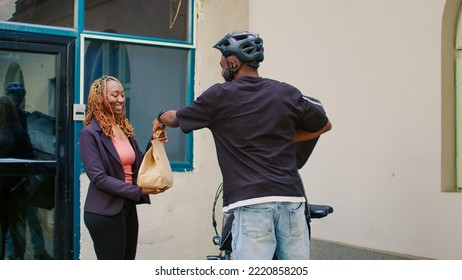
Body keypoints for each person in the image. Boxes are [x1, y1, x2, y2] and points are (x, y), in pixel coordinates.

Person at [155, 30, 332, 260]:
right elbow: (324, 124)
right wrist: (286, 137)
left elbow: (175, 119)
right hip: (292, 201)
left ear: (233, 63)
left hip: (251, 203)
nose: (221, 69)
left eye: (222, 64)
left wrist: (160, 117)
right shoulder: (284, 92)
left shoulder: (218, 96)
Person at [79, 75, 169, 260]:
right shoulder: (90, 134)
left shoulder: (124, 129)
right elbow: (99, 178)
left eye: (122, 94)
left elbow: (139, 165)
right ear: (100, 98)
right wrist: (139, 190)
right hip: (104, 211)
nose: (121, 99)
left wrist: (154, 141)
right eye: (114, 95)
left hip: (127, 207)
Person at [0, 95, 33, 259]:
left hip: (8, 190)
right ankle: (18, 263)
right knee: (17, 230)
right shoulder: (20, 132)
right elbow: (30, 158)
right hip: (16, 190)